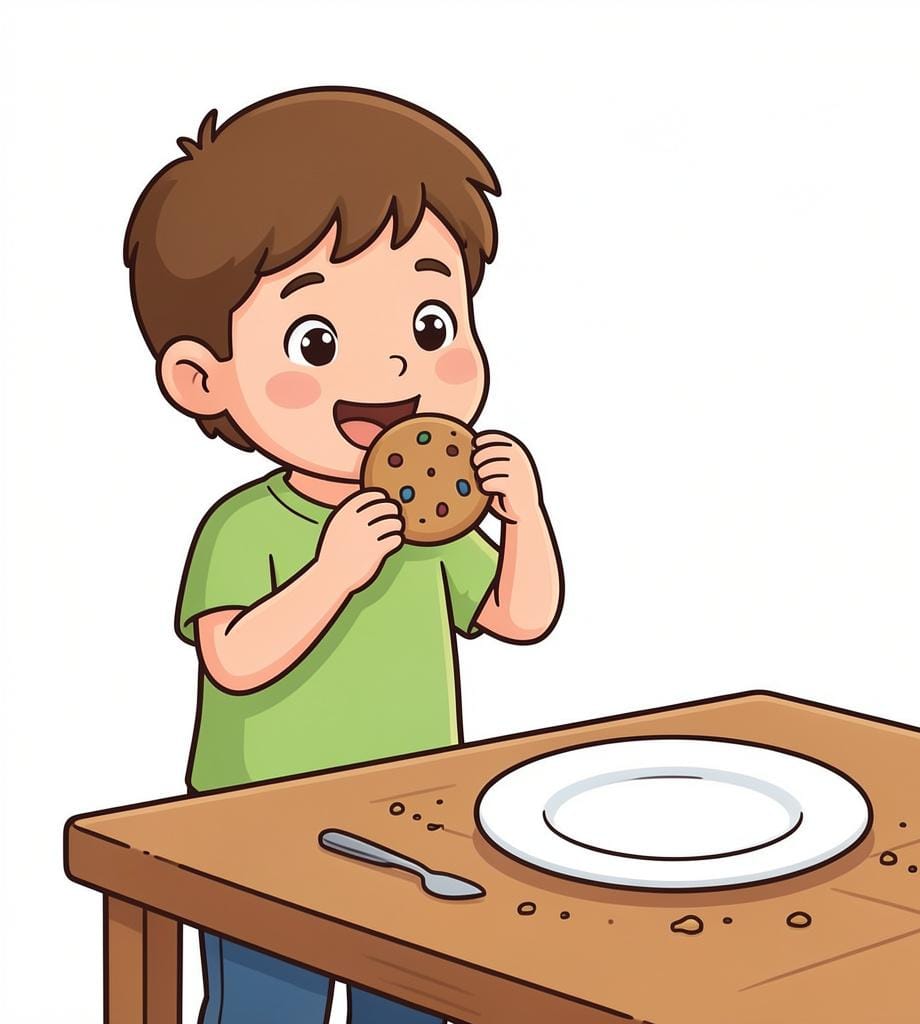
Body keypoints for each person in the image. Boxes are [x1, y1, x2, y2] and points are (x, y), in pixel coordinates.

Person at [124, 86, 563, 1024]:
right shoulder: (249, 526)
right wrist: (332, 575)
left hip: (419, 816)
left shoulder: (434, 527)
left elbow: (520, 618)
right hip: (259, 825)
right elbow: (234, 660)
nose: (396, 369)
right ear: (204, 379)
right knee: (263, 1010)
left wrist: (523, 514)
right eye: (317, 339)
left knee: (406, 1008)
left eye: (432, 326)